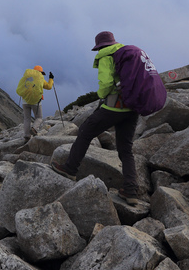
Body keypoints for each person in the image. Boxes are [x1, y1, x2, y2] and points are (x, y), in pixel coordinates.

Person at [51, 31, 144, 206]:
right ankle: (131, 190)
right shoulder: (126, 54)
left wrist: (100, 95)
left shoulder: (106, 55)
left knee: (85, 131)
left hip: (113, 107)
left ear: (100, 46)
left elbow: (106, 83)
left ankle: (70, 168)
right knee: (126, 149)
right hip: (133, 108)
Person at [18, 65, 54, 140]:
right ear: (41, 72)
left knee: (27, 118)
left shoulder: (27, 77)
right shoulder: (40, 79)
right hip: (36, 102)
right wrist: (51, 79)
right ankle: (34, 128)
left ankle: (27, 136)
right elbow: (49, 87)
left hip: (25, 100)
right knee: (39, 118)